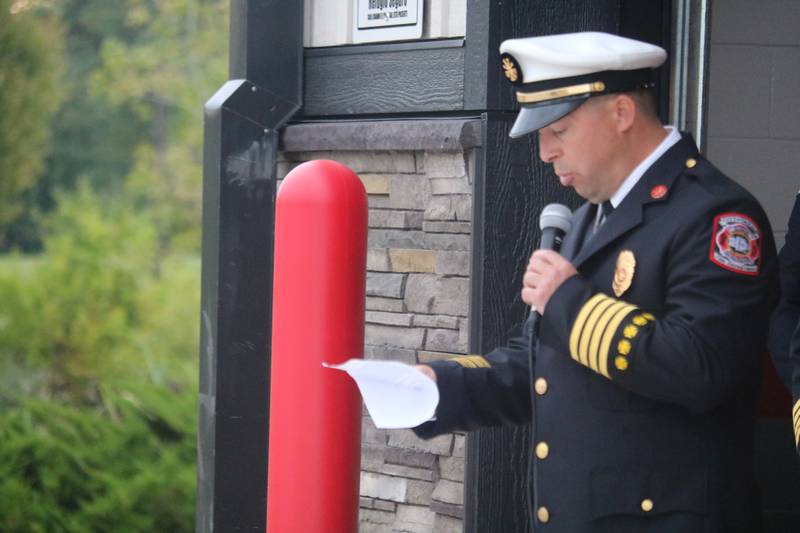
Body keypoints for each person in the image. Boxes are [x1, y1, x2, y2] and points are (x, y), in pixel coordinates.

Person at [412, 32, 779, 532]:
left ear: (621, 113)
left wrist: (568, 301)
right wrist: (438, 387)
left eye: (558, 130)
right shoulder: (590, 217)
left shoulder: (716, 214)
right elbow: (541, 362)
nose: (544, 152)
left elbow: (701, 368)